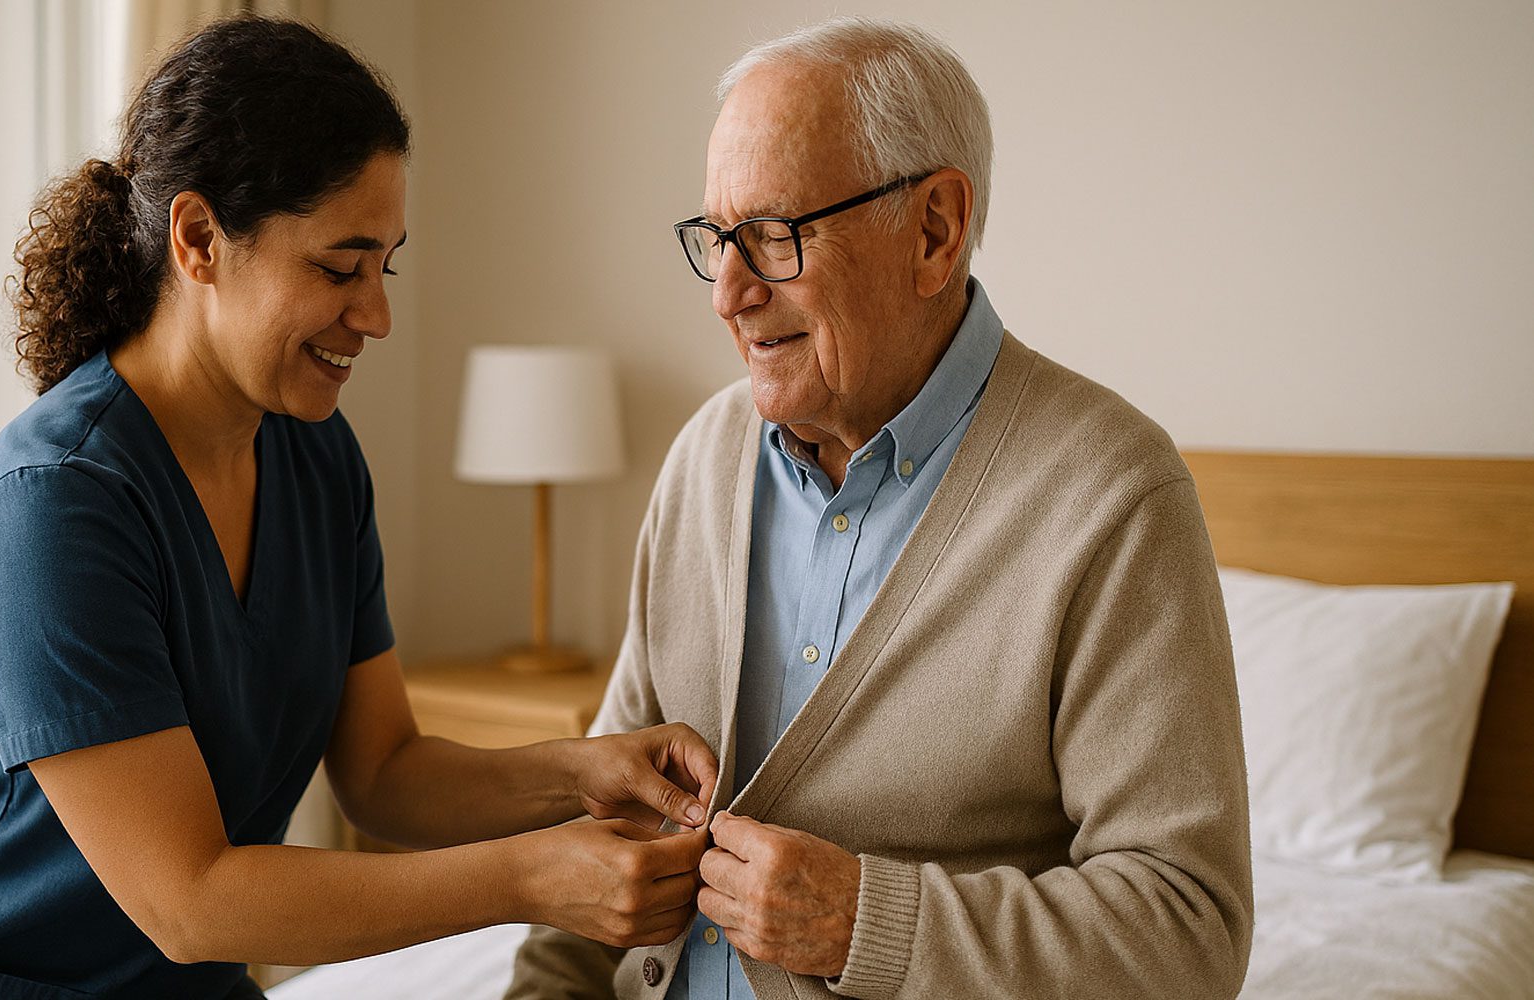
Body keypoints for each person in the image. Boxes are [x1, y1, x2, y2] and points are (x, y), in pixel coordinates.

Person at [0, 16, 712, 1000]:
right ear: (196, 239)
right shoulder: (52, 508)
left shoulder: (316, 456)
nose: (375, 314)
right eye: (338, 266)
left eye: (386, 264)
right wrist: (533, 875)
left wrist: (580, 775)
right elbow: (190, 901)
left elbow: (383, 771)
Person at [506, 17, 1251, 1000]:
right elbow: (609, 839)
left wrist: (865, 921)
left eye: (771, 236)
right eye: (714, 238)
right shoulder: (702, 460)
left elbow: (1185, 930)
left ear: (933, 229)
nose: (726, 292)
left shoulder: (1109, 497)